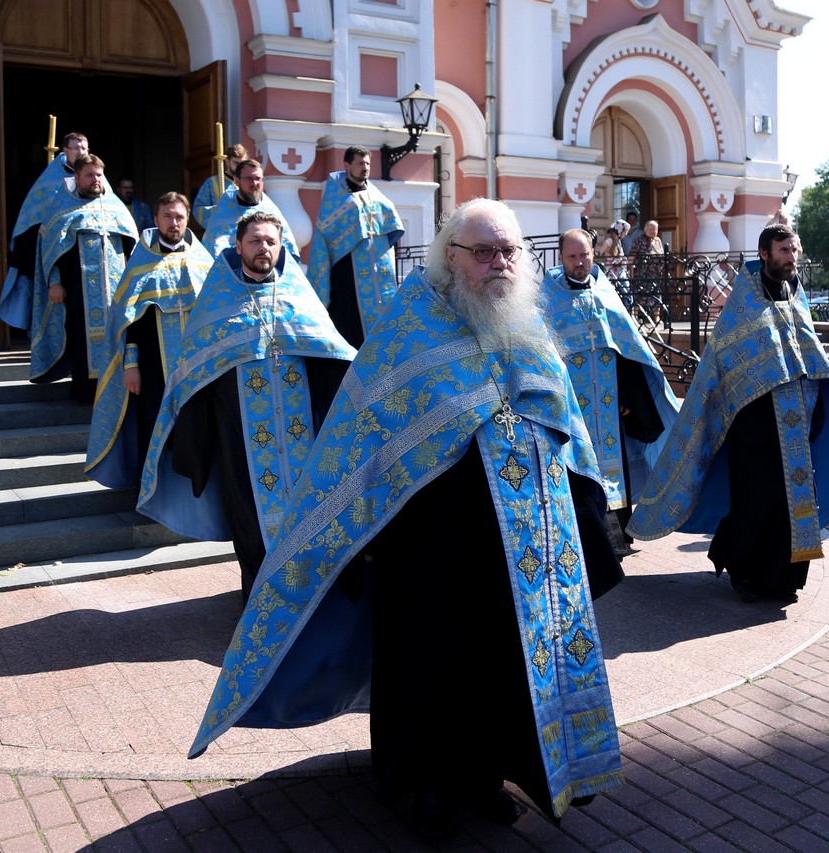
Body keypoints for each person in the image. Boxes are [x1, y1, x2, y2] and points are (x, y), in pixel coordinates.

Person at [185, 199, 624, 837]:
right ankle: (416, 784)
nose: (499, 264)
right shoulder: (408, 327)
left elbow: (565, 423)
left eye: (509, 252)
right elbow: (363, 430)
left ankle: (482, 776)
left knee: (496, 662)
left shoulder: (527, 326)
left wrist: (590, 512)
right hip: (427, 540)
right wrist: (365, 536)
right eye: (484, 252)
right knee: (425, 663)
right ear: (452, 257)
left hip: (519, 542)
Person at [628, 224, 829, 602]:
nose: (792, 258)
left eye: (796, 250)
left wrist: (818, 403)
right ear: (765, 254)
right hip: (753, 424)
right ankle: (744, 571)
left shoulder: (795, 294)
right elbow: (725, 362)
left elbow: (808, 353)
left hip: (795, 421)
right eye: (785, 251)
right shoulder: (744, 302)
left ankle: (784, 578)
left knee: (792, 502)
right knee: (756, 500)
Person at [137, 212, 354, 599]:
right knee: (250, 522)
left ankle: (307, 599)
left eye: (270, 241)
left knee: (305, 512)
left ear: (281, 246)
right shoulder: (217, 300)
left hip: (301, 433)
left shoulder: (298, 296)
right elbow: (193, 369)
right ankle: (257, 603)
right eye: (255, 241)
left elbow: (331, 355)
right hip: (241, 438)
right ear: (238, 248)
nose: (263, 248)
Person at [542, 228, 680, 555]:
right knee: (576, 469)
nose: (579, 262)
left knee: (615, 467)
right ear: (561, 258)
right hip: (572, 408)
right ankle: (587, 541)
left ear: (594, 254)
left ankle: (618, 538)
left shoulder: (606, 295)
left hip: (609, 406)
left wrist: (629, 399)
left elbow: (629, 351)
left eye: (584, 255)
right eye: (572, 256)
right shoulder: (547, 300)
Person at [85, 192, 213, 489]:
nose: (174, 222)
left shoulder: (202, 261)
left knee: (195, 429)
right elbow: (131, 323)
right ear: (156, 220)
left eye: (179, 216)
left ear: (188, 219)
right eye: (167, 216)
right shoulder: (141, 262)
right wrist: (131, 366)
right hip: (153, 366)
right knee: (152, 428)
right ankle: (150, 493)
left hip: (195, 365)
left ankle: (195, 494)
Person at [28, 154, 139, 403]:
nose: (95, 180)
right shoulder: (62, 211)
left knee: (117, 343)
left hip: (115, 295)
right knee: (82, 346)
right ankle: (86, 396)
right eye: (89, 175)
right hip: (79, 295)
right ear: (77, 178)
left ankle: (116, 394)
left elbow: (134, 250)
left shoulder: (117, 209)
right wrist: (54, 282)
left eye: (99, 175)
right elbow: (50, 251)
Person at [305, 145, 405, 347]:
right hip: (347, 276)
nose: (365, 167)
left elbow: (393, 227)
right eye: (360, 163)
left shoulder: (377, 197)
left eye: (367, 163)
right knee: (350, 330)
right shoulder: (336, 198)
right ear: (347, 164)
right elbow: (325, 239)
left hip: (378, 275)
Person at [0, 132, 91, 331]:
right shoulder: (50, 181)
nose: (81, 152)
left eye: (84, 148)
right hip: (54, 254)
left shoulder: (95, 178)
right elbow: (34, 219)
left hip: (84, 255)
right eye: (76, 148)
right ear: (65, 151)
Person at [200, 159, 298, 259]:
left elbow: (288, 251)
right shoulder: (223, 212)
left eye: (258, 178)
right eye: (249, 178)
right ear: (237, 181)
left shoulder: (271, 211)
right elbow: (213, 248)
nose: (254, 183)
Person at [191, 142, 247, 229]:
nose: (239, 167)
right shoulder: (212, 183)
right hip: (219, 233)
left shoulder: (247, 183)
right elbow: (198, 210)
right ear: (227, 161)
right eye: (236, 163)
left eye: (242, 164)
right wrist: (218, 210)